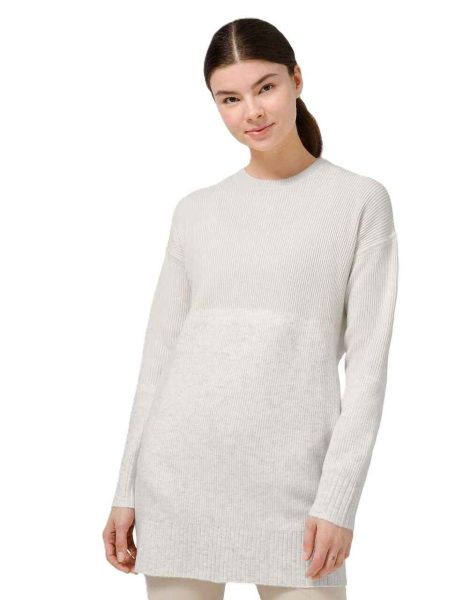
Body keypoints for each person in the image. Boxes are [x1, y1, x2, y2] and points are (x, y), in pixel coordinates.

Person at [102, 17, 399, 600]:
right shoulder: (195, 212)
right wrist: (126, 490)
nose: (252, 112)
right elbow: (158, 361)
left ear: (296, 80)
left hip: (296, 491)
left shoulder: (360, 202)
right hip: (178, 479)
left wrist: (339, 500)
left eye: (266, 88)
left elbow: (368, 368)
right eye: (230, 99)